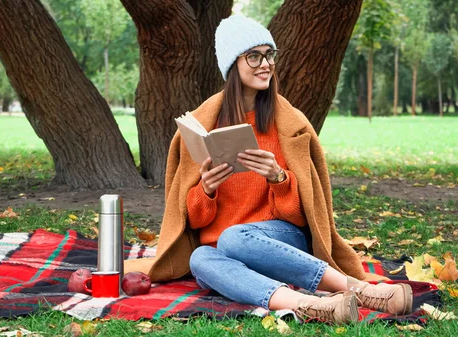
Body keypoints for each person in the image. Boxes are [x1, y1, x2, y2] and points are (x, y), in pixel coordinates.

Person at [124, 15, 412, 324]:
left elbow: (303, 218)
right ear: (233, 64)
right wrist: (206, 189)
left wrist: (278, 178)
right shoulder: (204, 126)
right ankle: (313, 305)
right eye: (254, 56)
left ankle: (360, 290)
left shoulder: (288, 125)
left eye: (269, 55)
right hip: (223, 252)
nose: (266, 64)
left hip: (279, 242)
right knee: (200, 258)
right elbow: (194, 221)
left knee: (234, 238)